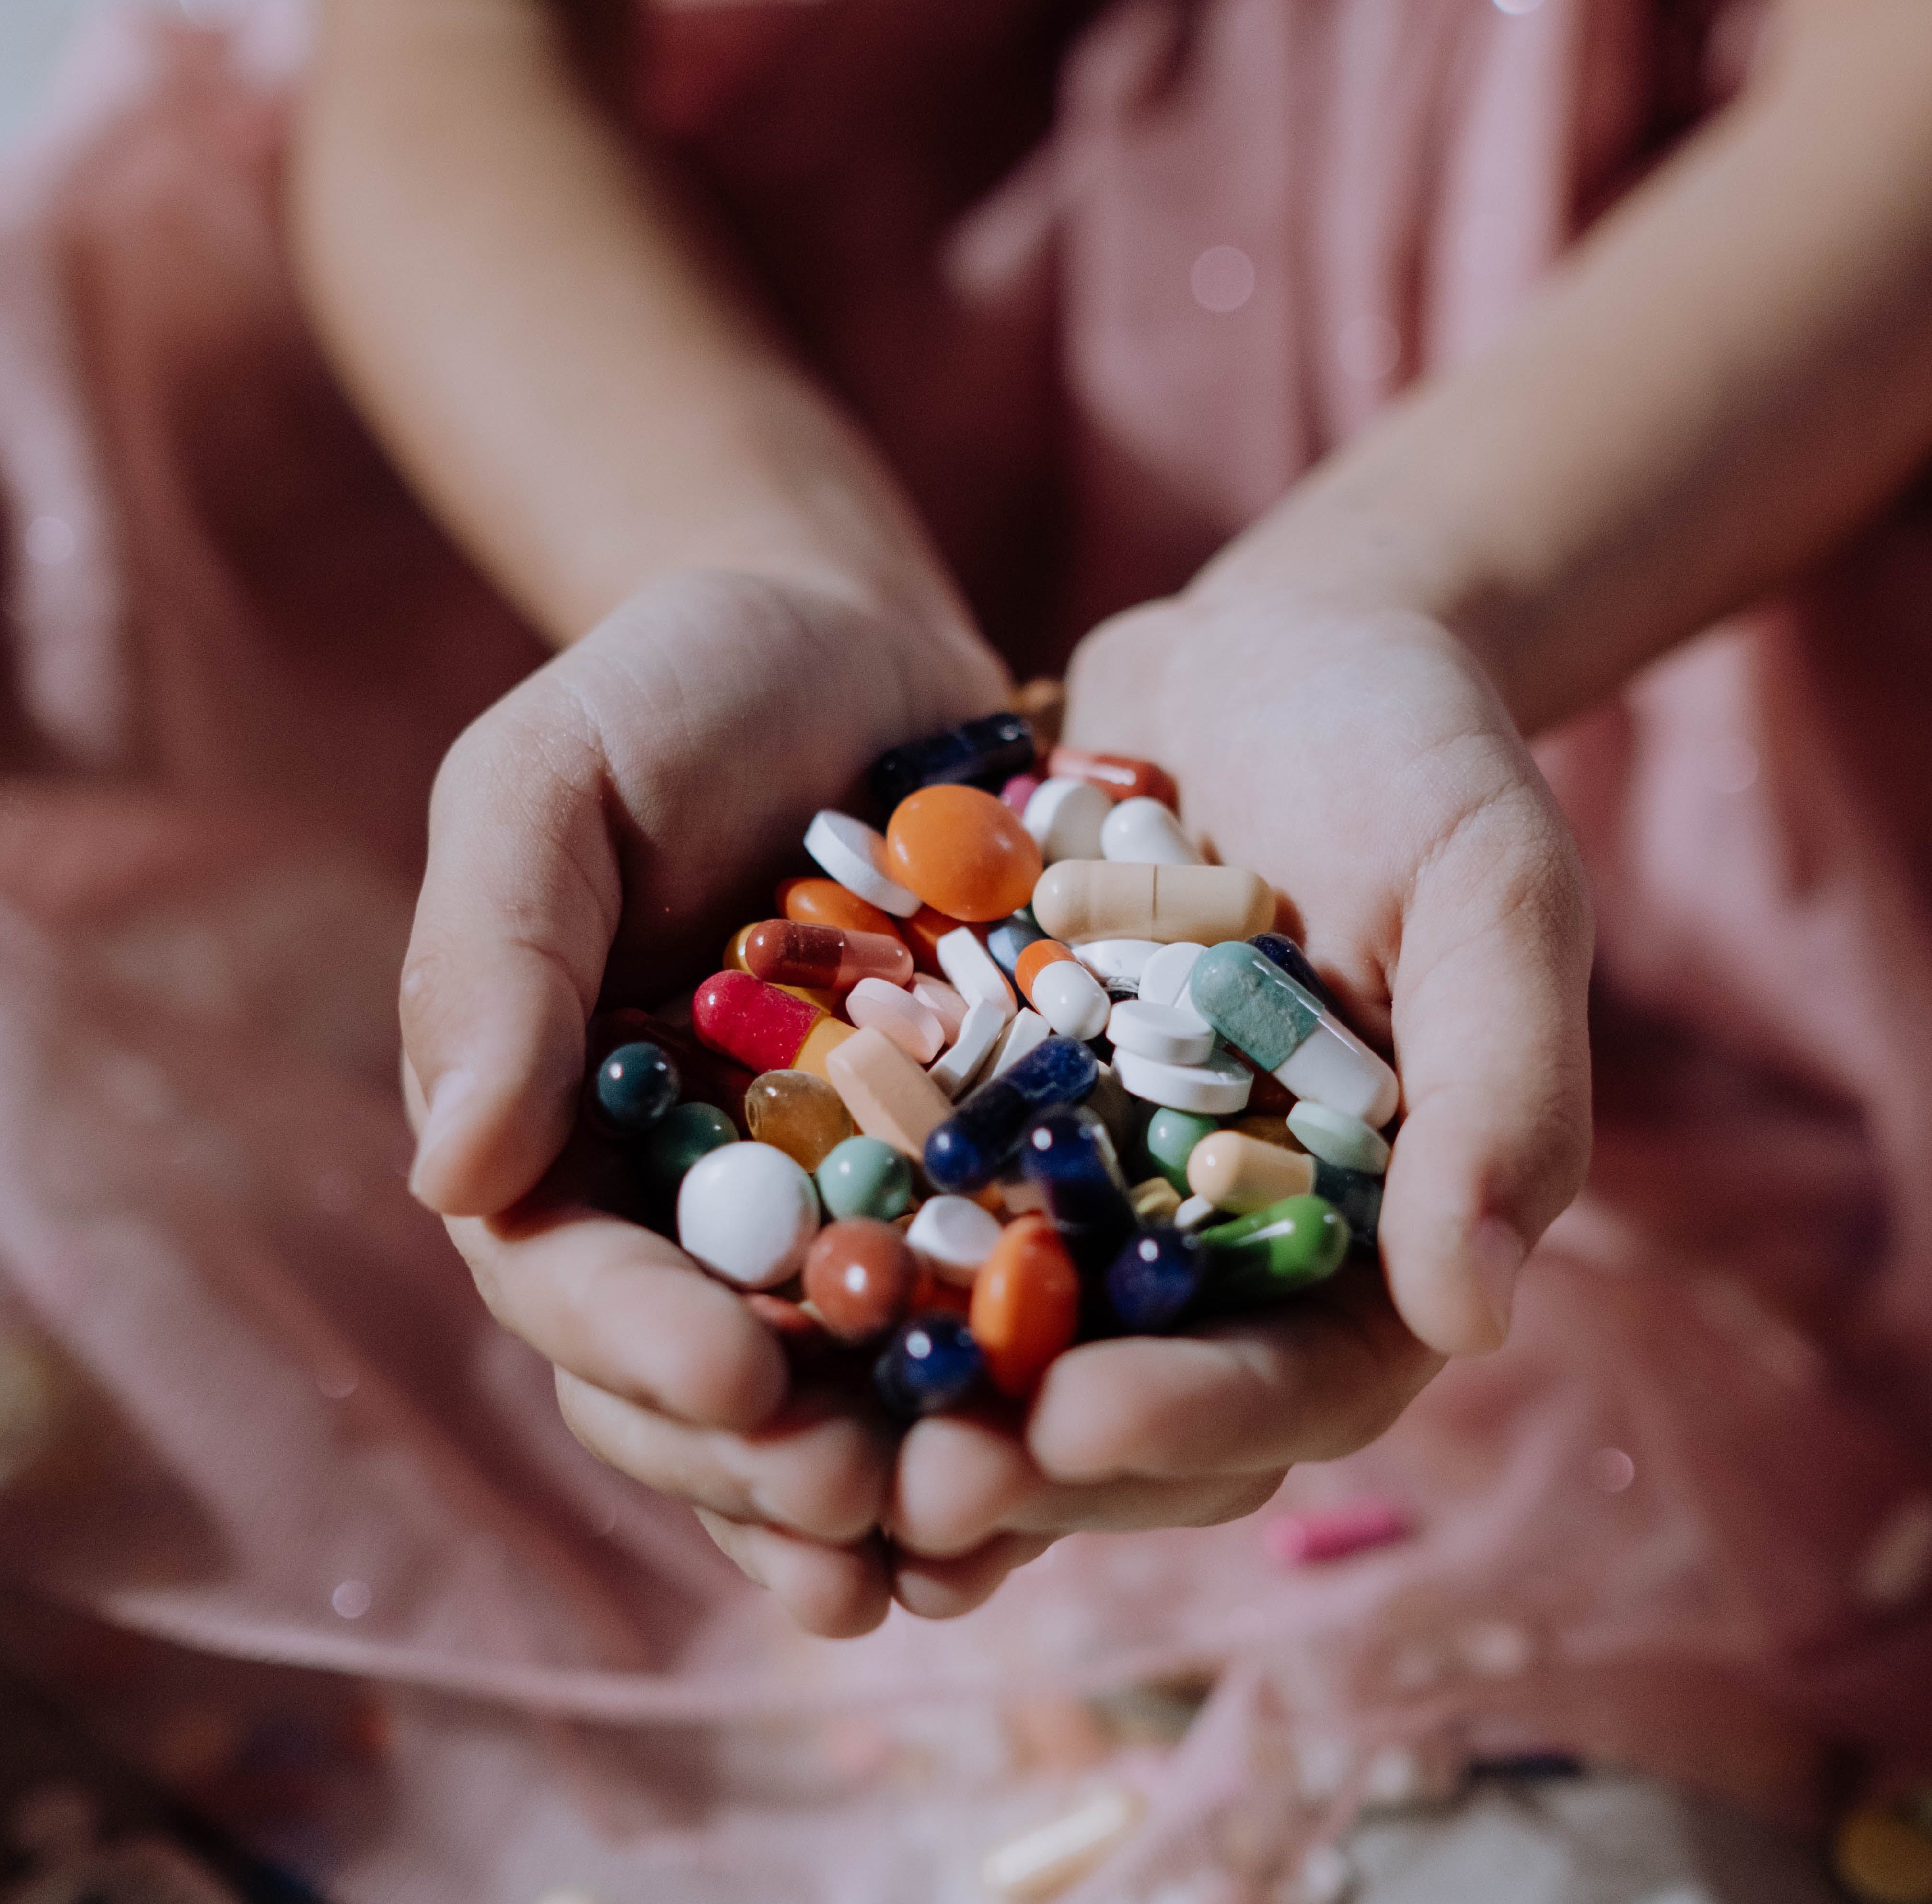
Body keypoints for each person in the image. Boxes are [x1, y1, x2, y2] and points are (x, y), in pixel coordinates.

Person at [288, 0, 1932, 1638]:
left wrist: (1400, 584)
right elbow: (442, 60)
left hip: (1656, 430)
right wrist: (755, 555)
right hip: (690, 379)